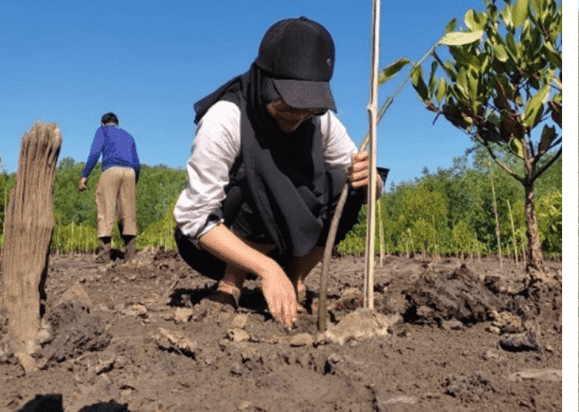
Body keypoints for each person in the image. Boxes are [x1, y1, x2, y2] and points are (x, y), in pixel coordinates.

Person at [172, 17, 379, 328]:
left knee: (345, 184)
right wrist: (266, 269)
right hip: (214, 248)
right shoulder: (225, 118)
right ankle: (232, 284)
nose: (297, 117)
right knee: (256, 178)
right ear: (265, 82)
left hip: (289, 243)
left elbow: (368, 186)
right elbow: (194, 218)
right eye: (287, 106)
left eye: (307, 107)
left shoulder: (320, 122)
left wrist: (371, 181)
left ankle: (294, 277)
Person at [79, 112, 141, 263]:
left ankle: (104, 254)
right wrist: (134, 181)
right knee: (128, 211)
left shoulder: (103, 131)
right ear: (117, 123)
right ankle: (130, 254)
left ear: (103, 123)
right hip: (130, 172)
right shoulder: (128, 136)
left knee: (105, 207)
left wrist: (85, 175)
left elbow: (94, 153)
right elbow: (137, 163)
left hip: (111, 170)